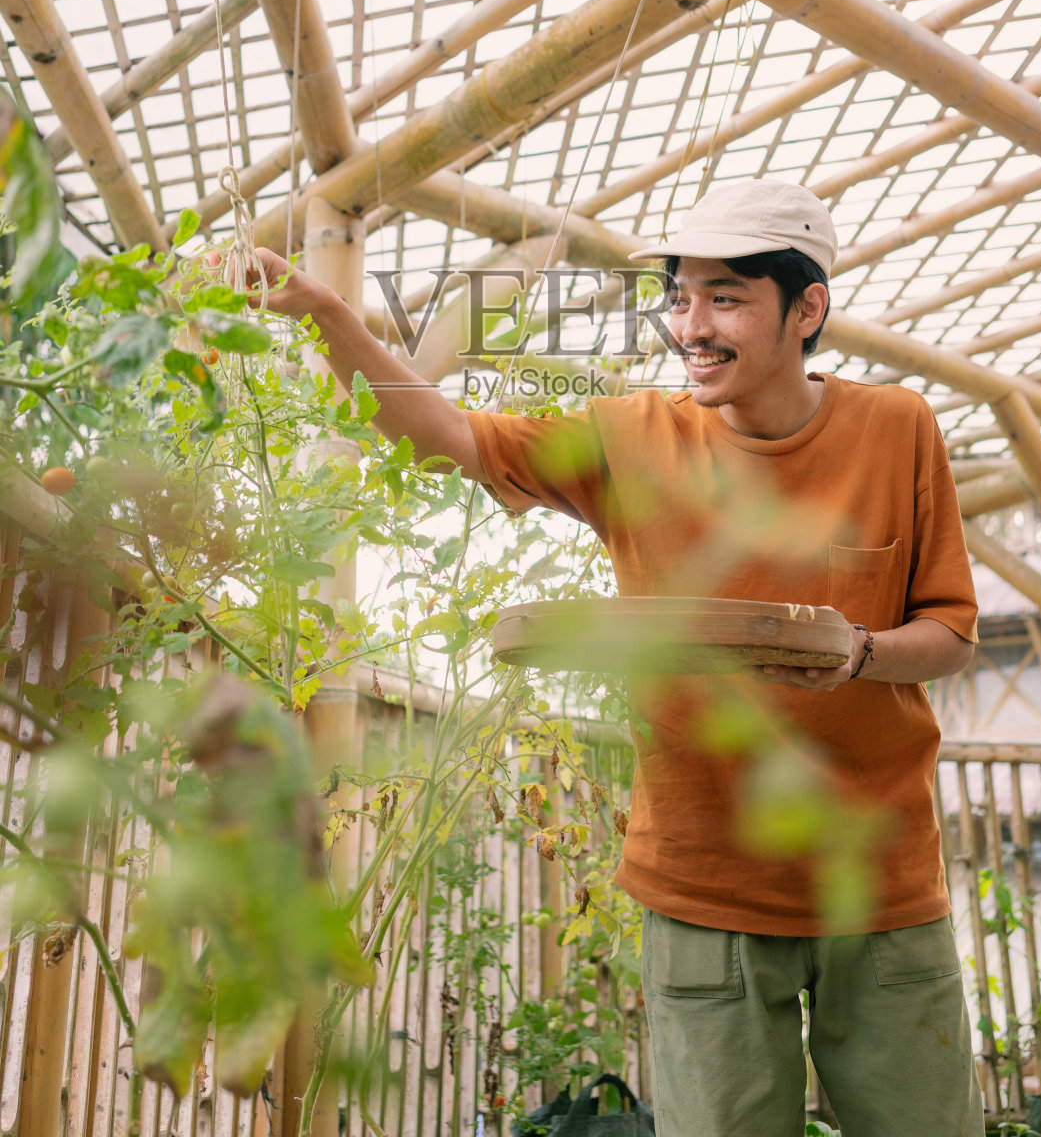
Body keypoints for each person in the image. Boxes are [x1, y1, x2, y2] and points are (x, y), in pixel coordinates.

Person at [251, 178, 984, 1137]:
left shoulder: (897, 429)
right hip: (703, 887)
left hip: (884, 891)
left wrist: (857, 653)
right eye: (678, 297)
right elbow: (445, 437)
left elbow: (949, 635)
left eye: (725, 297)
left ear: (807, 308)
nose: (691, 325)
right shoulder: (631, 436)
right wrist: (328, 316)